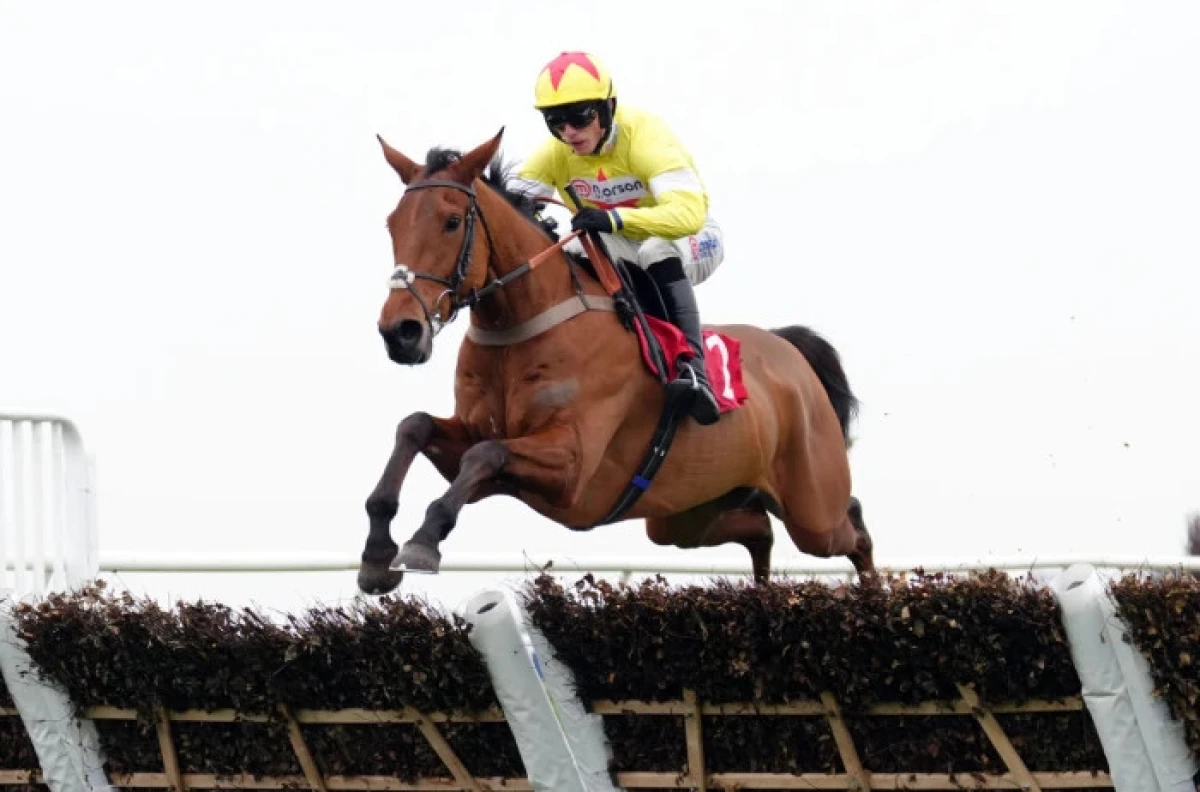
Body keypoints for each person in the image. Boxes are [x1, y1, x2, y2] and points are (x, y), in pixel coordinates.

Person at [511, 51, 725, 426]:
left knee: (656, 248)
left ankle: (694, 371)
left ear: (608, 106)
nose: (569, 132)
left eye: (580, 116)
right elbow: (506, 205)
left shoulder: (646, 135)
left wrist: (613, 218)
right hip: (629, 243)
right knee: (574, 250)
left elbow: (688, 215)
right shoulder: (557, 152)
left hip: (692, 237)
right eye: (555, 121)